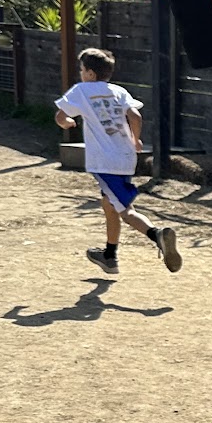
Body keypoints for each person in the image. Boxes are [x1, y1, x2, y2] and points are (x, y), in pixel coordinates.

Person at [54, 48, 181, 276]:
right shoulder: (119, 91)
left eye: (82, 70)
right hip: (125, 157)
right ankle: (109, 256)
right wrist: (136, 139)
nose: (81, 74)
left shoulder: (82, 90)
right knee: (110, 205)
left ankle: (157, 235)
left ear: (90, 73)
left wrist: (68, 123)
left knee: (125, 211)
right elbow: (135, 116)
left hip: (104, 163)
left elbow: (60, 116)